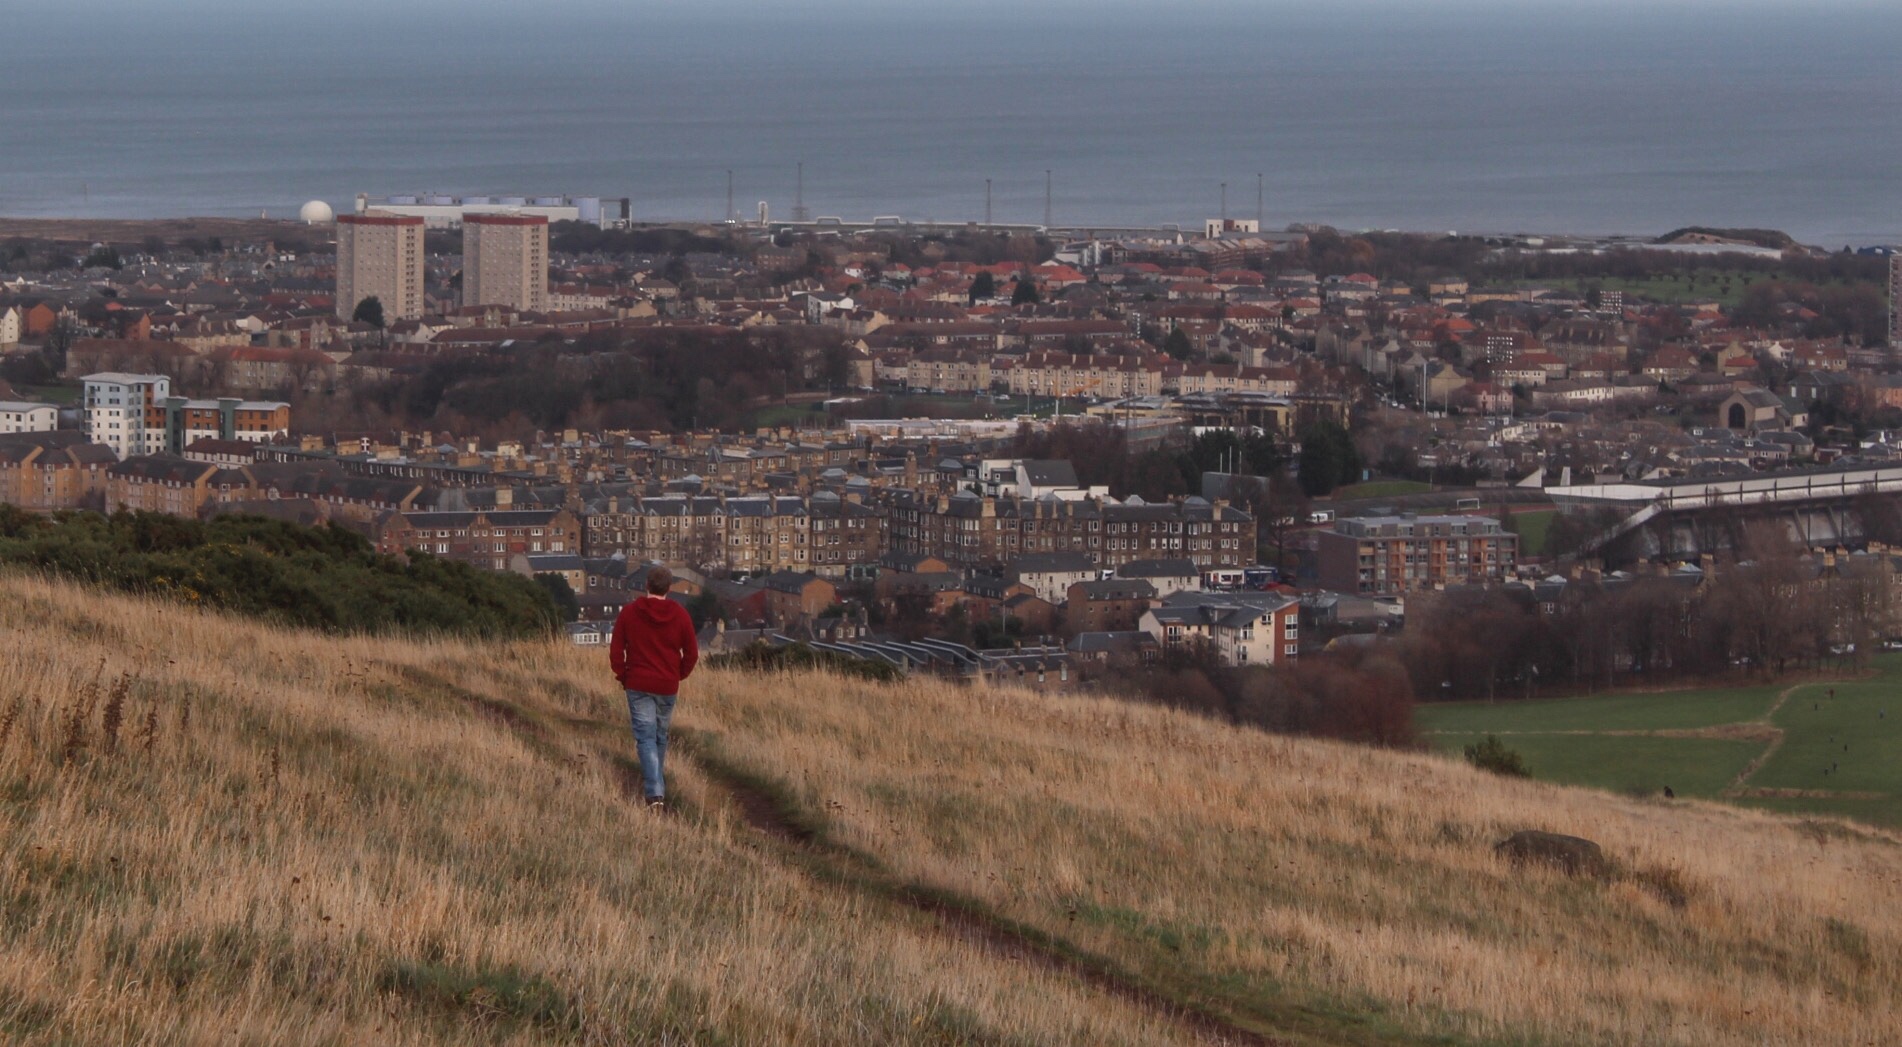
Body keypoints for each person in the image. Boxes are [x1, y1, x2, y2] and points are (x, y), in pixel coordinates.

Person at [609, 567, 699, 810]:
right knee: (659, 736)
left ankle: (654, 793)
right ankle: (656, 787)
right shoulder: (680, 615)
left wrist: (622, 675)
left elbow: (616, 648)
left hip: (638, 683)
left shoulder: (629, 613)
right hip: (667, 684)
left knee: (646, 737)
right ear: (669, 588)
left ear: (647, 585)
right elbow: (692, 653)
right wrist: (678, 675)